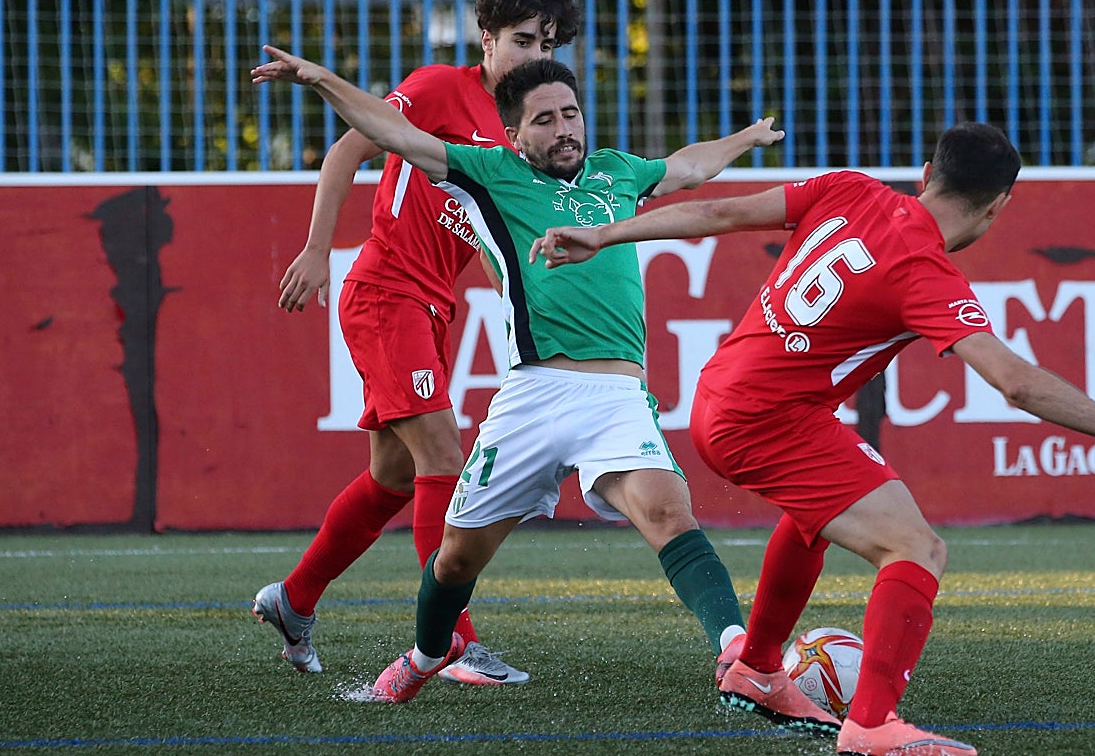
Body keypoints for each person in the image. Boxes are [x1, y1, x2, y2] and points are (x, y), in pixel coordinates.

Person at [529, 121, 1095, 755]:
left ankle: (755, 667)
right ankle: (871, 725)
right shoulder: (924, 269)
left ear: (926, 175)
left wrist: (607, 234)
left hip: (721, 395)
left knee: (818, 514)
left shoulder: (853, 188)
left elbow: (720, 213)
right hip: (767, 421)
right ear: (999, 205)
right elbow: (1017, 385)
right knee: (916, 547)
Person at [252, 52, 799, 711]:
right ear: (515, 135)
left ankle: (737, 650)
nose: (564, 127)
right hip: (534, 397)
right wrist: (321, 81)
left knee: (667, 511)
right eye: (544, 120)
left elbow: (690, 166)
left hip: (619, 397)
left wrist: (746, 137)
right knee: (454, 561)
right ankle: (430, 653)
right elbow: (393, 134)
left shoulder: (618, 171)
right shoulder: (491, 174)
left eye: (571, 113)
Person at [252, 0, 580, 687]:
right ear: (487, 40)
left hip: (435, 307)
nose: (532, 55)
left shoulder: (524, 131)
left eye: (546, 44)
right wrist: (315, 249)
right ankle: (453, 640)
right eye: (520, 40)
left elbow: (500, 241)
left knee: (391, 477)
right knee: (442, 455)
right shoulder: (439, 86)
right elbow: (348, 150)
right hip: (385, 291)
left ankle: (294, 598)